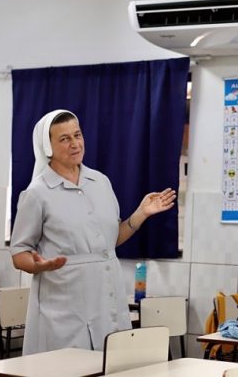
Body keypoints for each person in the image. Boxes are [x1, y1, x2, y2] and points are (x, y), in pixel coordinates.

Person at [10, 109, 176, 354]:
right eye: (64, 138)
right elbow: (19, 253)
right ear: (47, 147)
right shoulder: (37, 193)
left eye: (77, 135)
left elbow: (109, 241)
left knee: (111, 361)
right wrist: (39, 265)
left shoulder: (101, 182)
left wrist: (141, 213)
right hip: (64, 307)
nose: (75, 143)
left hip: (107, 301)